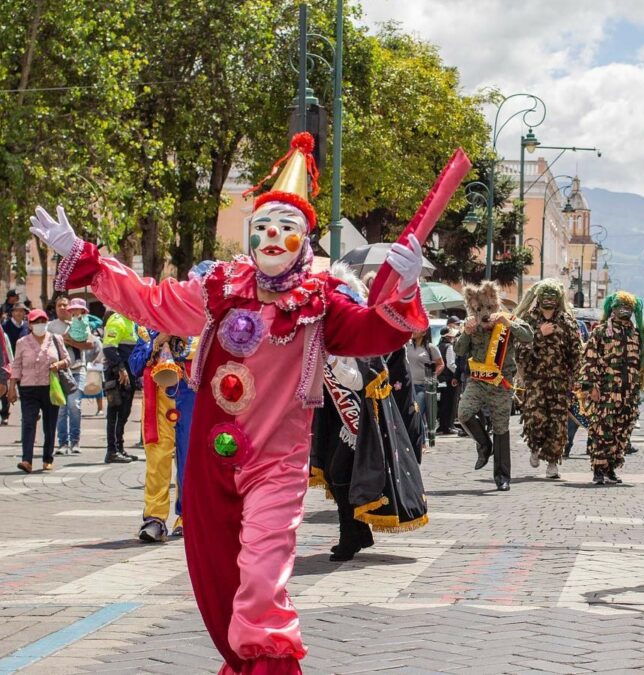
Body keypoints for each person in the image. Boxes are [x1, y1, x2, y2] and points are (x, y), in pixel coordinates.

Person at [29, 131, 426, 674]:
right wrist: (89, 261)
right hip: (212, 465)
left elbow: (373, 333)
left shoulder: (318, 300)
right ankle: (240, 661)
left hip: (276, 466)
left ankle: (268, 666)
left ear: (304, 239)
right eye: (262, 226)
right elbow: (151, 301)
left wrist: (401, 287)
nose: (271, 236)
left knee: (262, 578)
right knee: (217, 577)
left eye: (286, 228)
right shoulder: (219, 288)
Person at [310, 265, 428, 561]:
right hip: (341, 416)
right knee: (337, 473)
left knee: (341, 472)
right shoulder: (329, 334)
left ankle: (352, 535)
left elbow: (362, 378)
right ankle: (357, 532)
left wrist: (332, 362)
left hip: (364, 419)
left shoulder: (360, 333)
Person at [456, 281, 533, 491]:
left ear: (496, 306)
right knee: (463, 413)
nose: (485, 314)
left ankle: (502, 476)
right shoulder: (471, 324)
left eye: (489, 308)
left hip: (501, 383)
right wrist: (466, 332)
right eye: (480, 309)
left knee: (501, 427)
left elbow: (529, 336)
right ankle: (484, 444)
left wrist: (509, 324)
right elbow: (459, 350)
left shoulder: (507, 321)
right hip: (478, 381)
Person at [128, 329, 198, 542]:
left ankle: (188, 515)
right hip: (158, 401)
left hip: (191, 397)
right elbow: (134, 365)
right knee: (157, 460)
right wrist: (156, 343)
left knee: (190, 459)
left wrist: (185, 341)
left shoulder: (197, 325)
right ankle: (154, 518)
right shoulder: (145, 328)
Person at [580, 291, 644, 486]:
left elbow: (642, 363)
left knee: (622, 431)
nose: (624, 310)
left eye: (628, 307)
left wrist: (642, 384)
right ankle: (598, 469)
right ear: (613, 308)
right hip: (606, 391)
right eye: (620, 306)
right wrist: (592, 386)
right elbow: (590, 359)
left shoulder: (636, 333)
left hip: (629, 393)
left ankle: (611, 467)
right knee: (602, 429)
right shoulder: (601, 331)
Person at [515, 279, 583, 479]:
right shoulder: (528, 320)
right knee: (536, 418)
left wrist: (578, 379)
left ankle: (552, 462)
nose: (548, 300)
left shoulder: (567, 321)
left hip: (559, 382)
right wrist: (539, 335)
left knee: (557, 423)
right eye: (545, 296)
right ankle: (535, 447)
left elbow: (576, 353)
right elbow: (519, 351)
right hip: (535, 381)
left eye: (552, 296)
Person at [9, 309, 69, 473]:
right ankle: (26, 460)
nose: (40, 325)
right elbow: (16, 365)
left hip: (50, 387)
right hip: (28, 388)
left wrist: (59, 365)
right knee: (28, 423)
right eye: (36, 322)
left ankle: (47, 458)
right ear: (30, 324)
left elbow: (67, 359)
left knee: (49, 425)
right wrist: (12, 387)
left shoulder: (55, 339)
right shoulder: (22, 342)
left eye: (43, 321)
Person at [48, 296, 92, 456]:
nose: (62, 308)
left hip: (78, 369)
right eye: (59, 305)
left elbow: (91, 344)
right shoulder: (50, 327)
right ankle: (62, 443)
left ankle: (75, 441)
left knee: (74, 405)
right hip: (60, 371)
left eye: (65, 305)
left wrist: (70, 342)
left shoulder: (81, 323)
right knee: (61, 408)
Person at [102, 311, 138, 464]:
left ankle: (120, 448)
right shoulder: (117, 320)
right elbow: (109, 348)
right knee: (115, 414)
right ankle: (112, 451)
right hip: (118, 376)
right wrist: (121, 368)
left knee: (124, 413)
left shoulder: (132, 321)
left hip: (129, 376)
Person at [407, 328, 443, 447]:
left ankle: (421, 443)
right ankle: (417, 442)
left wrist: (432, 377)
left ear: (424, 332)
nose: (413, 331)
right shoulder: (408, 345)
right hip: (409, 386)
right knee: (412, 414)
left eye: (416, 329)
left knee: (417, 412)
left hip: (423, 386)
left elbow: (441, 364)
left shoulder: (431, 348)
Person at [1, 304, 28, 425]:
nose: (18, 313)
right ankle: (5, 414)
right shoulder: (5, 326)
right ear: (12, 312)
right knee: (5, 391)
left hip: (24, 364)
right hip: (8, 363)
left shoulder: (27, 327)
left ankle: (26, 416)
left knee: (24, 391)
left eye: (21, 311)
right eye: (16, 311)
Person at [435, 317, 461, 435]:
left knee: (443, 404)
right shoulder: (449, 347)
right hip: (450, 379)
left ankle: (442, 426)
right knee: (451, 403)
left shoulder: (438, 346)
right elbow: (451, 364)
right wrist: (458, 373)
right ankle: (448, 426)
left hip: (441, 379)